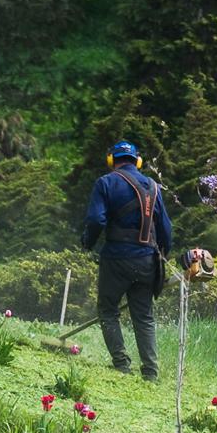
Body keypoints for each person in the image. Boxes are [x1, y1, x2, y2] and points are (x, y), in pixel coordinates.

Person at [82, 140, 173, 380]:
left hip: (116, 259)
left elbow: (96, 221)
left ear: (112, 160)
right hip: (148, 260)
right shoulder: (153, 187)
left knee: (108, 309)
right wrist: (162, 257)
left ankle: (121, 364)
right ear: (138, 161)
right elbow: (166, 229)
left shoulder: (105, 182)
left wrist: (88, 243)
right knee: (143, 316)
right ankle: (151, 373)